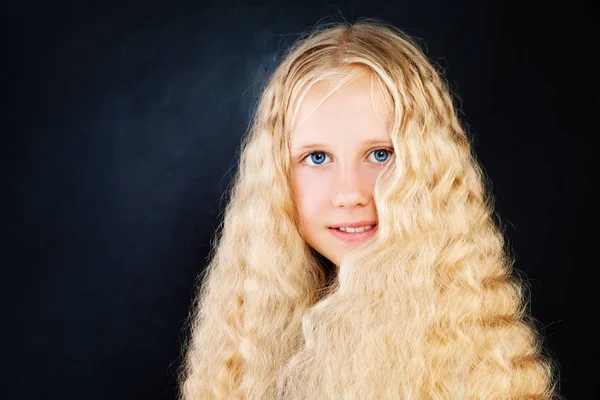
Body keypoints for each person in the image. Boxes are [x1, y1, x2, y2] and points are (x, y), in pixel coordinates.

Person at [178, 17, 560, 399]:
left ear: (431, 170)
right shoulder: (246, 346)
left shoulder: (474, 361)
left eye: (380, 155)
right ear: (276, 177)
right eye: (316, 158)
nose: (350, 193)